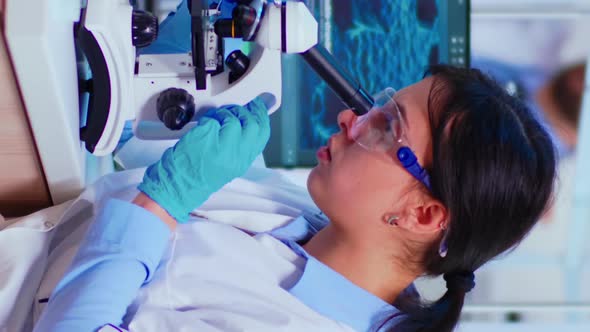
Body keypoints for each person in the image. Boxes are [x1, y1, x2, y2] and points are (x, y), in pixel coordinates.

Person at [33, 62, 557, 331]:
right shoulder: (307, 221)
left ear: (423, 213)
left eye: (386, 126)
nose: (351, 120)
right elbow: (166, 165)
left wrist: (161, 202)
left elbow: (163, 201)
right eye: (379, 104)